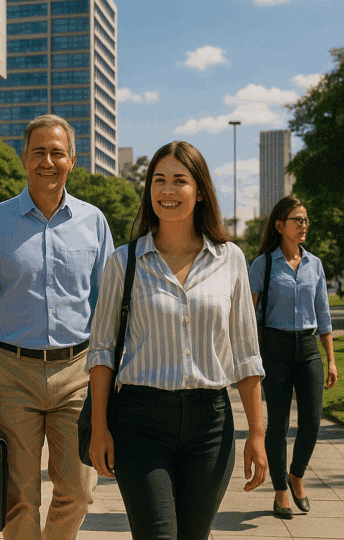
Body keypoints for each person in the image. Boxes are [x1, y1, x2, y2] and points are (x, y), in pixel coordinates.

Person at [86, 141, 267, 540]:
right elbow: (101, 352)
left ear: (200, 191)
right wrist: (99, 427)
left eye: (179, 181)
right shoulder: (123, 262)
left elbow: (246, 354)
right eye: (159, 180)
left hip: (210, 425)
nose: (167, 190)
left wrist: (257, 433)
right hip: (140, 423)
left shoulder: (231, 259)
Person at [0, 114, 114, 540]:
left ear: (72, 160)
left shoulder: (94, 221)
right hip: (11, 373)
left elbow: (107, 308)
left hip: (78, 374)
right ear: (23, 158)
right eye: (38, 153)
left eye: (57, 153)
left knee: (80, 491)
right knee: (19, 496)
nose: (47, 162)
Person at [248, 196, 336, 519]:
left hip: (308, 348)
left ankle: (296, 474)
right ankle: (280, 491)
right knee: (278, 425)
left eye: (305, 220)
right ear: (279, 225)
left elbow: (323, 314)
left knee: (312, 421)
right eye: (298, 220)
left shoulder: (314, 264)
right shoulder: (263, 265)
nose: (303, 225)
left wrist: (331, 359)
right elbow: (248, 314)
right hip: (275, 349)